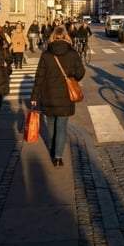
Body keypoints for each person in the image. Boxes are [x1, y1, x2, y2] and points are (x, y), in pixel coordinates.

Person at [31, 26, 85, 166]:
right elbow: (81, 73)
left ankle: (51, 148)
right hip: (66, 95)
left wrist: (34, 96)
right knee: (61, 126)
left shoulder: (46, 54)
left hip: (48, 93)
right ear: (66, 37)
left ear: (53, 37)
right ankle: (58, 157)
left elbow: (39, 76)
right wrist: (72, 77)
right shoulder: (72, 53)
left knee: (50, 124)